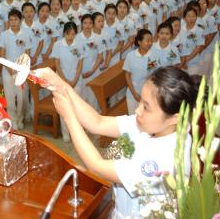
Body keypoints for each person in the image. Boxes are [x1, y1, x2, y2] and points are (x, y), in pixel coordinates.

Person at [37, 65, 194, 218]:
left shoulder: (164, 159)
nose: (138, 110)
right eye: (140, 101)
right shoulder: (154, 125)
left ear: (175, 118)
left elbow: (97, 166)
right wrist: (58, 83)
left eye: (146, 107)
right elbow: (98, 123)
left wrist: (69, 118)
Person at [0, 9, 31, 130]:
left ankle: (20, 117)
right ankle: (13, 120)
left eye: (16, 19)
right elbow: (2, 55)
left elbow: (27, 54)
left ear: (20, 20)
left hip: (21, 71)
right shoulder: (4, 34)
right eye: (11, 19)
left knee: (21, 96)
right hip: (7, 71)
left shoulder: (26, 33)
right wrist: (9, 69)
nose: (13, 22)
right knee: (10, 97)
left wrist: (20, 69)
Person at [51, 22, 83, 142]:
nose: (71, 37)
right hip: (61, 80)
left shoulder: (79, 44)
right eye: (69, 34)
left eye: (73, 34)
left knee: (75, 106)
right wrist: (64, 80)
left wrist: (75, 79)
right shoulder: (58, 45)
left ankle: (75, 131)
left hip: (76, 80)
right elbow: (57, 64)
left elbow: (80, 63)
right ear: (64, 33)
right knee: (64, 106)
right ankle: (65, 132)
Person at [123, 29, 160, 114]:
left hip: (149, 92)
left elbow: (157, 74)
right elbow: (127, 75)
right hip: (132, 92)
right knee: (133, 118)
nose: (150, 43)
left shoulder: (154, 55)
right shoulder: (131, 55)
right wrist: (134, 93)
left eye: (151, 40)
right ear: (139, 42)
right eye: (147, 40)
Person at [75, 14, 102, 111]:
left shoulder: (98, 38)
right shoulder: (76, 38)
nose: (87, 25)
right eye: (85, 23)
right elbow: (75, 57)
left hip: (94, 72)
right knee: (81, 99)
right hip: (80, 73)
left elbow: (99, 57)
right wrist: (79, 72)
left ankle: (94, 123)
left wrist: (92, 71)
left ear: (93, 24)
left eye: (90, 23)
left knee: (93, 99)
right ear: (81, 24)